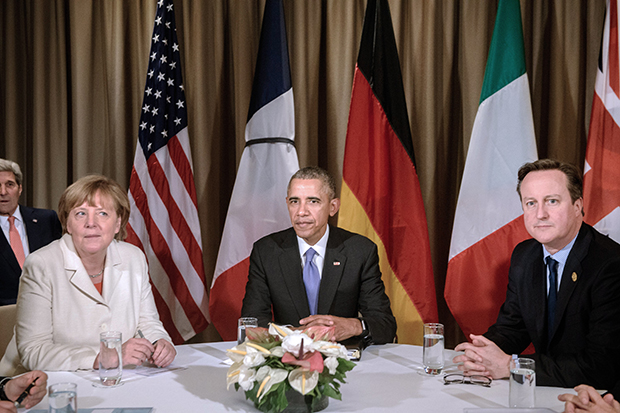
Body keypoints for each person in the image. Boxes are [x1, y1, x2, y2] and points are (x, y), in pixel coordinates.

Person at [453, 159, 620, 389]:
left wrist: (511, 365)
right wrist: (483, 353)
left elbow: (600, 365)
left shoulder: (610, 264)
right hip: (546, 389)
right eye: (531, 203)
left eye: (552, 201)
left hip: (598, 396)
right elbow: (513, 327)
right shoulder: (525, 255)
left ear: (577, 205)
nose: (540, 214)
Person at [7, 175, 175, 372]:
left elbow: (148, 322)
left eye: (103, 213)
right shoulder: (41, 265)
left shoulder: (133, 257)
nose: (91, 223)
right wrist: (103, 357)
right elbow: (33, 351)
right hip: (45, 383)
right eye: (80, 214)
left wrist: (160, 341)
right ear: (68, 224)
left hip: (118, 377)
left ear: (118, 223)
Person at [241, 166, 396, 344]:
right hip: (287, 359)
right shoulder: (266, 251)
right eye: (294, 201)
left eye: (313, 201)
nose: (301, 212)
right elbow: (251, 323)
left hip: (342, 361)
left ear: (332, 207)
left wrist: (351, 326)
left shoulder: (360, 251)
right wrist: (294, 334)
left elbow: (385, 325)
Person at [0, 159, 62, 305]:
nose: (3, 192)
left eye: (9, 185)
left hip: (50, 305)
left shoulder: (46, 219)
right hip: (5, 314)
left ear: (20, 188)